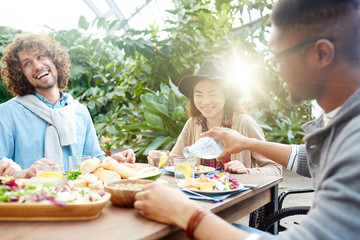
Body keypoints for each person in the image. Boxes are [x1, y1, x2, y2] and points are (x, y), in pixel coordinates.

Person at [134, 0, 360, 239]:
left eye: (277, 58)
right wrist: (246, 143)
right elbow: (311, 159)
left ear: (321, 53)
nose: (275, 70)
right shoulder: (342, 128)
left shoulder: (354, 141)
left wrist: (188, 214)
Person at [0, 33, 135, 178]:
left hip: (78, 198)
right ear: (20, 74)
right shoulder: (7, 113)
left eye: (40, 56)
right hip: (29, 198)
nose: (38, 66)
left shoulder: (80, 111)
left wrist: (115, 161)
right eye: (27, 63)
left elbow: (94, 160)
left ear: (54, 59)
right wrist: (24, 173)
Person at [149, 60, 282, 176]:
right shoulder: (193, 123)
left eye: (212, 94)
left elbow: (275, 168)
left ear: (226, 94)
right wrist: (161, 158)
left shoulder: (244, 122)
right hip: (199, 194)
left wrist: (246, 171)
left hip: (237, 199)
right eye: (198, 94)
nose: (205, 101)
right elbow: (175, 160)